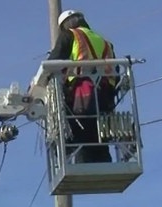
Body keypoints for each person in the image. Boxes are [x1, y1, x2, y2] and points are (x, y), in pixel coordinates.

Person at [47, 9, 118, 163]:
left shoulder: (70, 35)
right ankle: (104, 163)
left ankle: (83, 162)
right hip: (105, 96)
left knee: (81, 131)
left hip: (83, 94)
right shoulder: (105, 42)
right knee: (100, 133)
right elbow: (116, 71)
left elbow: (54, 60)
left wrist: (40, 84)